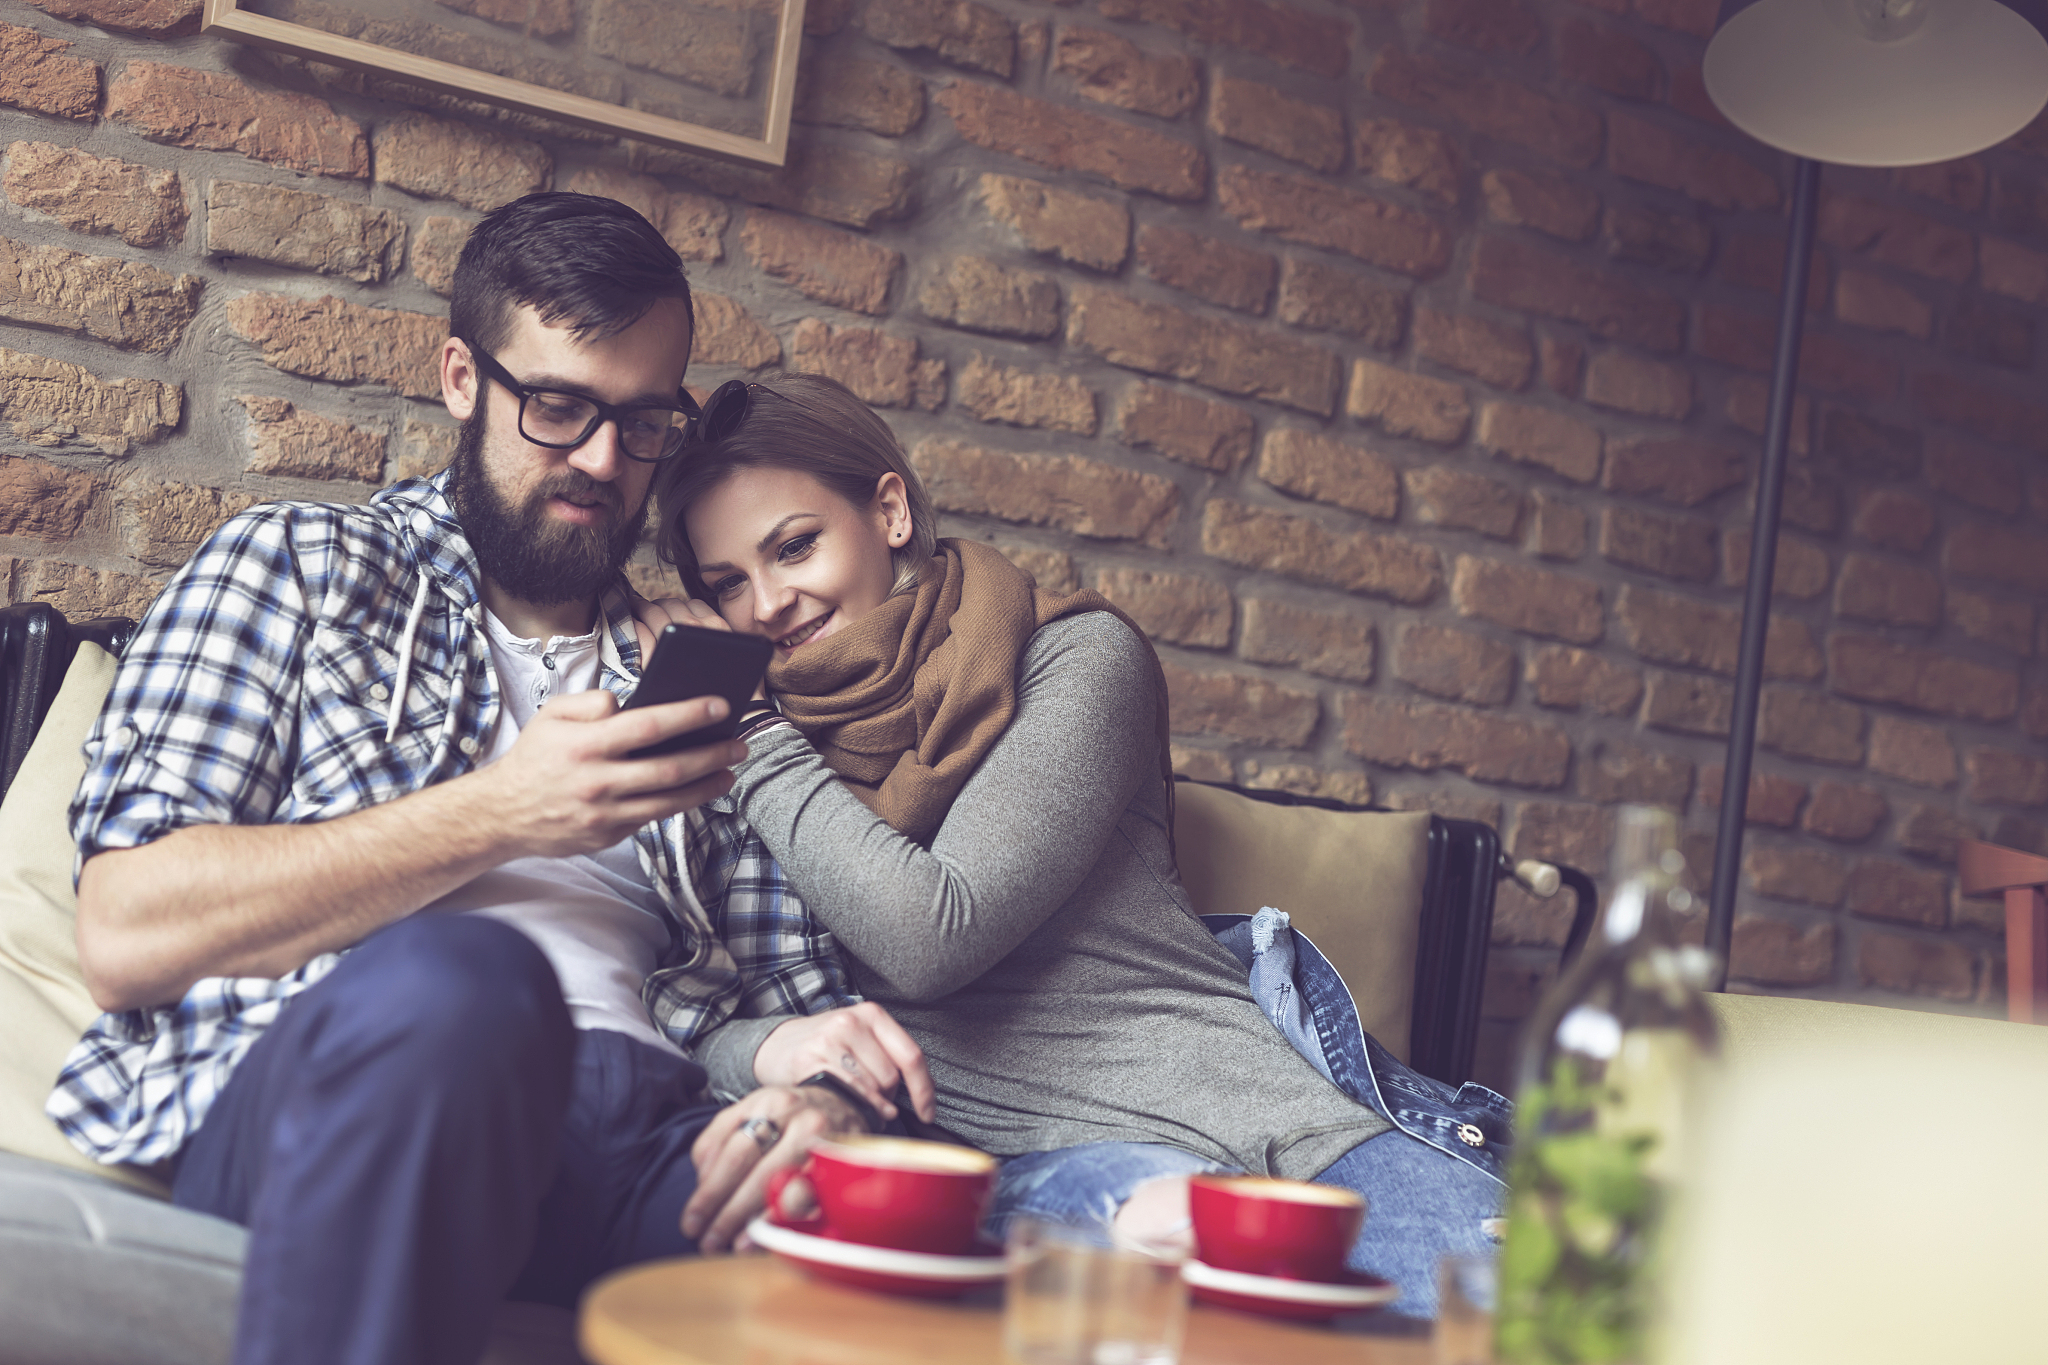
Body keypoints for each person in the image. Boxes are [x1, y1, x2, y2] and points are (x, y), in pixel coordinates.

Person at [46, 193, 931, 1365]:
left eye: (644, 420)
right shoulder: (299, 567)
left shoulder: (698, 668)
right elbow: (125, 929)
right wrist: (502, 809)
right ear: (463, 377)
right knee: (467, 981)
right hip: (381, 1077)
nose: (605, 463)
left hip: (648, 1130)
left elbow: (805, 1011)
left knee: (864, 1230)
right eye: (559, 408)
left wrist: (821, 1111)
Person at [640, 374, 1511, 1318]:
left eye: (794, 546)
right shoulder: (752, 762)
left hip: (1276, 1140)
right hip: (1031, 1187)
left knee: (1552, 1332)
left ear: (888, 510)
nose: (767, 602)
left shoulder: (1075, 658)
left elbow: (933, 929)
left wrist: (761, 744)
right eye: (726, 585)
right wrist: (771, 1047)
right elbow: (688, 1012)